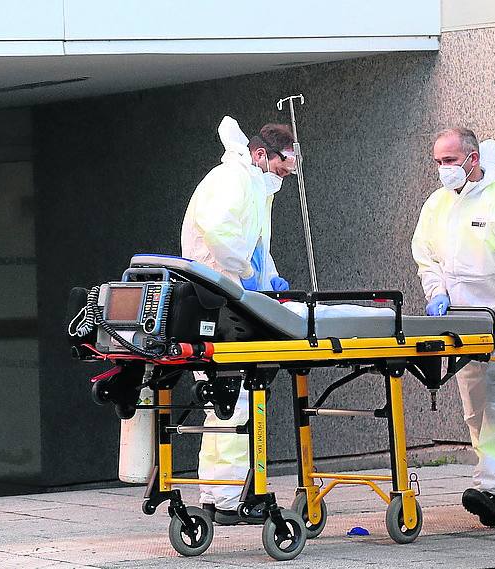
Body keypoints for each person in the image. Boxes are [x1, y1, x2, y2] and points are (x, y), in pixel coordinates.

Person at [180, 116, 296, 524]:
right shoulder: (236, 179)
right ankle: (228, 498)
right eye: (282, 166)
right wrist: (248, 271)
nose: (284, 175)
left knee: (223, 403)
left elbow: (254, 243)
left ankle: (218, 492)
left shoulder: (253, 184)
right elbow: (220, 232)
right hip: (220, 297)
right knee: (234, 400)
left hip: (222, 295)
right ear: (261, 154)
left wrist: (267, 275)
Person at [412, 128, 495, 527]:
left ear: (472, 159)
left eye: (448, 160)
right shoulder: (437, 205)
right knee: (474, 406)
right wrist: (436, 292)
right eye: (438, 162)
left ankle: (491, 489)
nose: (442, 169)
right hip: (458, 323)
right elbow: (426, 255)